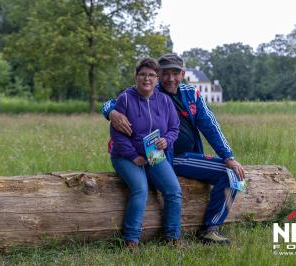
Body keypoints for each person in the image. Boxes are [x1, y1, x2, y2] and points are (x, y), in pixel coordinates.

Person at [103, 53, 245, 244]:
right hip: (167, 156)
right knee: (228, 175)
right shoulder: (151, 87)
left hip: (185, 155)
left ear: (183, 73)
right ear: (159, 75)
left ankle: (211, 227)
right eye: (166, 73)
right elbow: (114, 102)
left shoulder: (190, 93)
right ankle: (204, 231)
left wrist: (228, 156)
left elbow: (210, 125)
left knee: (232, 174)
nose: (170, 78)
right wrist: (111, 112)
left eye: (175, 73)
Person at [109, 57, 181, 251]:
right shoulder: (125, 98)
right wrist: (134, 156)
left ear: (157, 78)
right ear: (136, 76)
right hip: (125, 156)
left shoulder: (164, 100)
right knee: (140, 189)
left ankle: (172, 237)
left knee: (174, 191)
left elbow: (174, 127)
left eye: (151, 75)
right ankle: (131, 240)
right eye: (142, 74)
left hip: (155, 154)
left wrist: (167, 140)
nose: (146, 78)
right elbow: (117, 134)